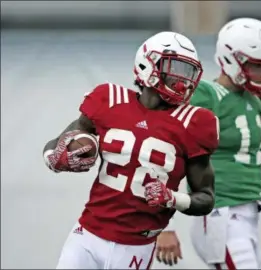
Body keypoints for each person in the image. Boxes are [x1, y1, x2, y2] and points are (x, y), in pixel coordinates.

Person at [42, 31, 220, 269]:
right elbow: (56, 143)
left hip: (137, 246)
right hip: (87, 236)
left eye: (187, 72)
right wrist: (56, 157)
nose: (183, 80)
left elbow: (206, 198)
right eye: (174, 68)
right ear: (148, 64)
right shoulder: (109, 99)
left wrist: (172, 198)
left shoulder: (194, 122)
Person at [155, 18, 261, 269]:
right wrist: (166, 225)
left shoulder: (252, 101)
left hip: (248, 216)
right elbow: (165, 150)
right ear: (231, 59)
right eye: (257, 65)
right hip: (219, 213)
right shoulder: (207, 95)